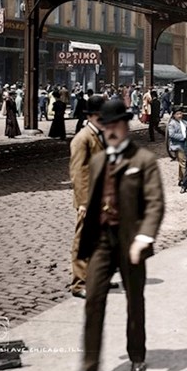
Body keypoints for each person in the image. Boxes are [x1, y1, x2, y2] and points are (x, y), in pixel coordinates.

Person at [64, 100, 165, 371]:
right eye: (106, 126)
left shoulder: (144, 160)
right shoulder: (97, 160)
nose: (111, 131)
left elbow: (155, 204)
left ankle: (137, 355)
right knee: (93, 300)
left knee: (135, 300)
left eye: (116, 125)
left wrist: (143, 239)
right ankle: (89, 367)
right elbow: (92, 198)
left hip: (131, 241)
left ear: (126, 126)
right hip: (102, 242)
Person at [68, 95, 106, 299]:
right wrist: (83, 202)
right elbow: (78, 173)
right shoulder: (82, 139)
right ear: (91, 116)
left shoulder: (100, 135)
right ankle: (79, 283)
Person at [167, 106, 187, 186]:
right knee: (184, 162)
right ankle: (186, 180)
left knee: (181, 162)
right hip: (177, 145)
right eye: (177, 114)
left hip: (185, 145)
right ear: (174, 115)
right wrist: (183, 137)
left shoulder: (185, 122)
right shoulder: (172, 124)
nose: (179, 115)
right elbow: (172, 134)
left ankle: (181, 179)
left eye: (181, 113)